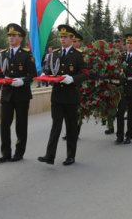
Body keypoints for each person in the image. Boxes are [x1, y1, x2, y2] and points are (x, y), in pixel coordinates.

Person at [38, 25, 88, 166]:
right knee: (56, 126)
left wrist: (72, 79)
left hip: (71, 96)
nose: (62, 39)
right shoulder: (55, 53)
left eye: (65, 37)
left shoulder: (78, 54)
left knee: (71, 127)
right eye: (61, 37)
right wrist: (45, 74)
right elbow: (50, 70)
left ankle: (70, 155)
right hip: (57, 96)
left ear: (72, 39)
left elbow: (85, 74)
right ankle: (50, 155)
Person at [0, 23, 37, 163]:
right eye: (9, 35)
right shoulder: (2, 54)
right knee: (4, 124)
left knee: (21, 124)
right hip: (6, 93)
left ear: (20, 38)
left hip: (21, 94)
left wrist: (23, 80)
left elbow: (33, 75)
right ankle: (5, 153)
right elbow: (0, 71)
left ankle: (19, 152)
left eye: (14, 35)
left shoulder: (26, 54)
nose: (11, 38)